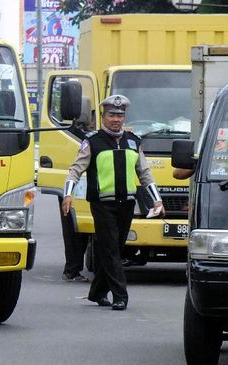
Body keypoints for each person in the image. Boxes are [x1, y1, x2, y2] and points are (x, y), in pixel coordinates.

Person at [61, 95, 165, 311]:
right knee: (110, 250)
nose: (116, 119)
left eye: (120, 115)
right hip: (102, 205)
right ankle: (121, 296)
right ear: (103, 116)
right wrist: (68, 194)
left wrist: (157, 200)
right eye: (111, 115)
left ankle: (97, 292)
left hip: (126, 204)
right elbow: (75, 170)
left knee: (115, 248)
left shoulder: (133, 141)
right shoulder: (92, 142)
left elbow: (144, 173)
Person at [60, 97, 95, 282]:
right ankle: (72, 269)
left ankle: (74, 268)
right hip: (76, 187)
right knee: (75, 230)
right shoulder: (79, 135)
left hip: (86, 187)